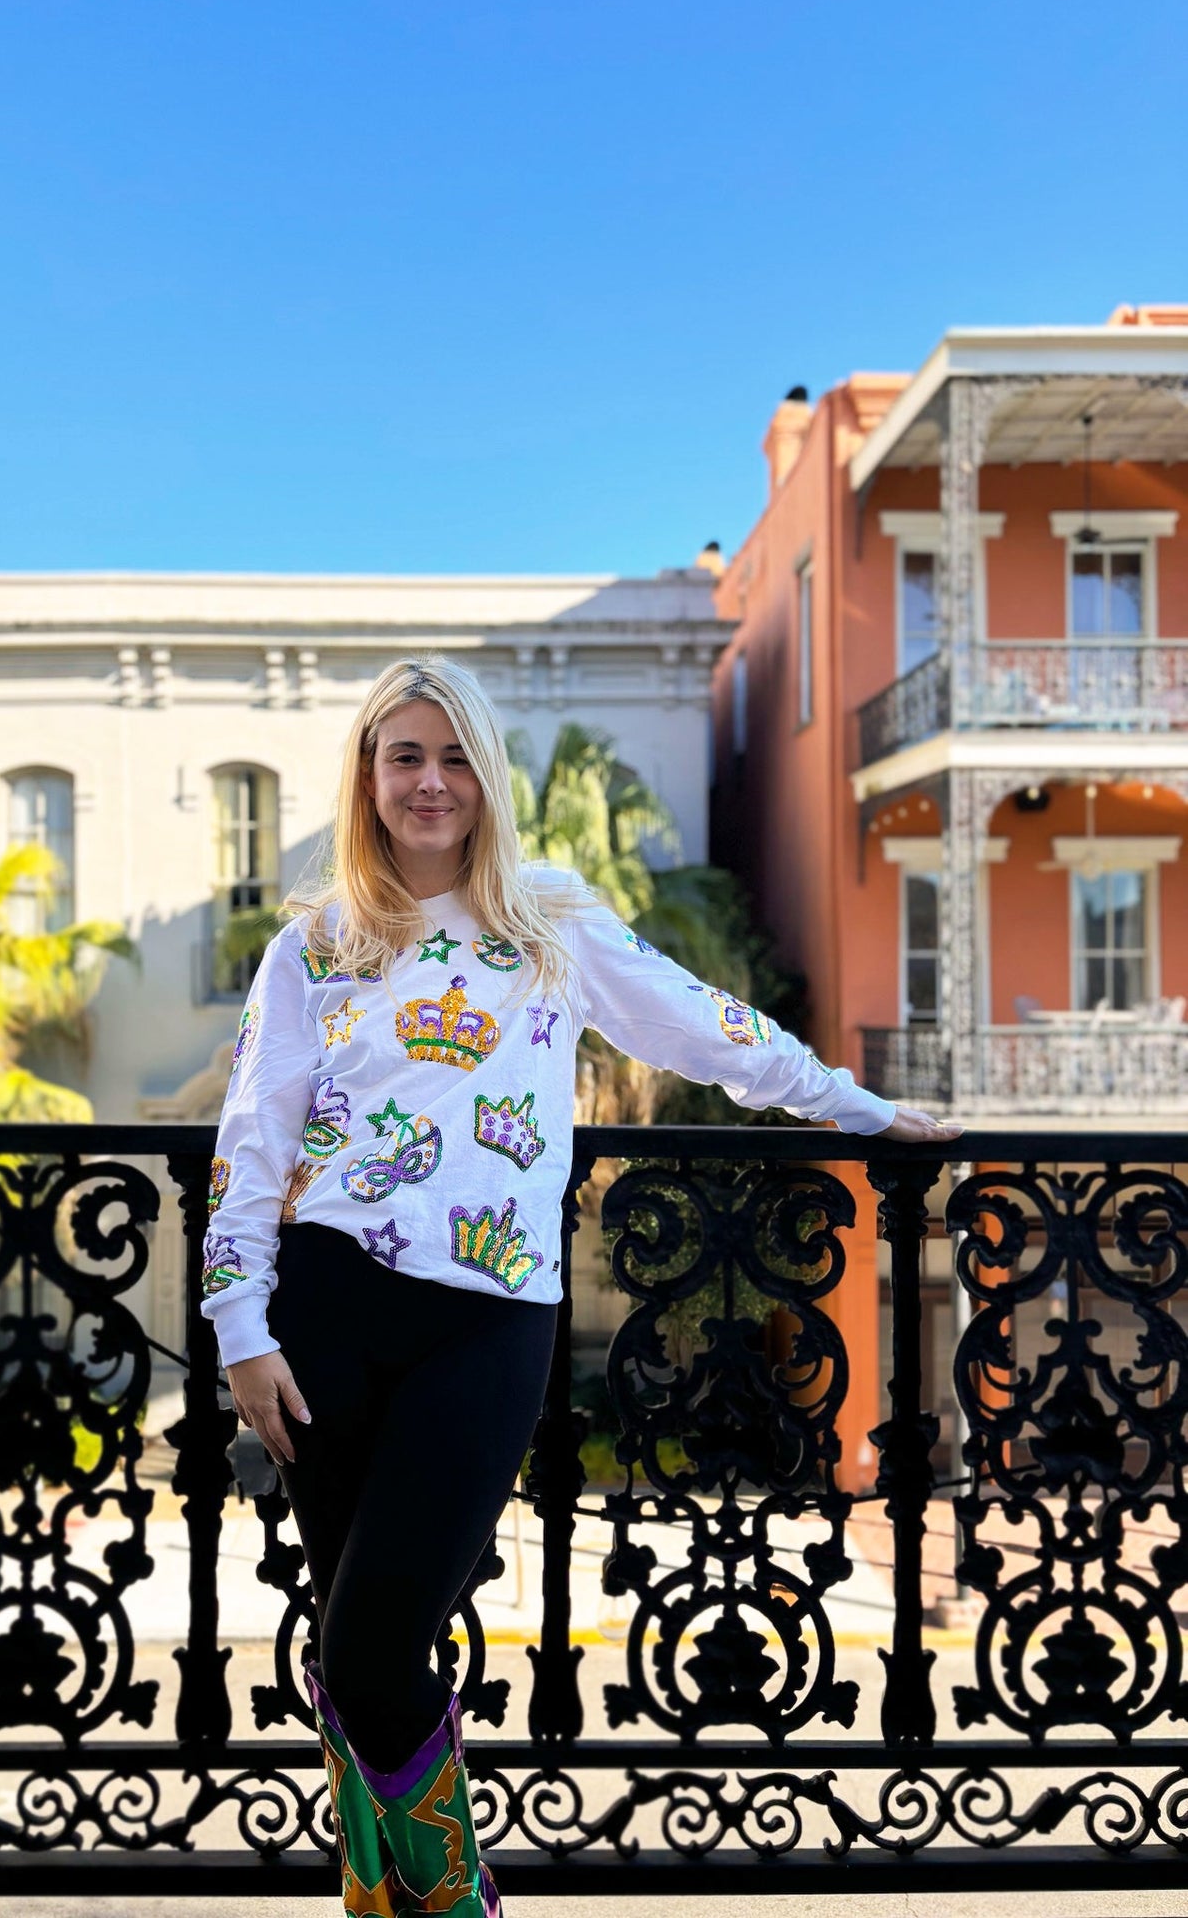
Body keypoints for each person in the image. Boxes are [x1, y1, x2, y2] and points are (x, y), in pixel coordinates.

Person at [201, 655, 961, 1915]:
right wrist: (240, 1323)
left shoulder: (547, 922)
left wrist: (853, 1106)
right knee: (350, 1654)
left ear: (486, 775)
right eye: (404, 756)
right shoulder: (314, 945)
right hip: (325, 1311)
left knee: (370, 1645)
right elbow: (254, 1137)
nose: (430, 782)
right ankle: (387, 1904)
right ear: (367, 777)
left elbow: (700, 1025)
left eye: (454, 757)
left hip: (488, 1320)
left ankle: (458, 1908)